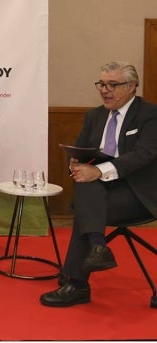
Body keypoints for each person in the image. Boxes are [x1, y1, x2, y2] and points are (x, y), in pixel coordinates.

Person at [40, 61, 157, 307]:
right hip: (102, 191)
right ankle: (96, 248)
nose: (105, 90)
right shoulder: (94, 115)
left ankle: (78, 283)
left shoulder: (149, 114)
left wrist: (98, 170)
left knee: (86, 204)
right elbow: (81, 149)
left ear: (132, 86)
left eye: (113, 84)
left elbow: (143, 154)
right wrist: (74, 162)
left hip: (140, 193)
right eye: (102, 84)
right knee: (85, 185)